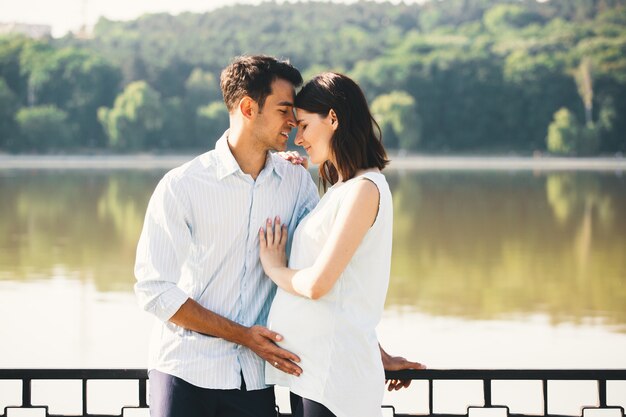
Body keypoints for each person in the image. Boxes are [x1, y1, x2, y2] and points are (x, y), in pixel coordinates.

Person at [135, 56, 420, 417]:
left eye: (298, 116)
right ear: (248, 107)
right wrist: (242, 335)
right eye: (286, 110)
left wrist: (374, 352)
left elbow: (325, 272)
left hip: (255, 379)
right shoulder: (182, 186)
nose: (293, 124)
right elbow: (154, 290)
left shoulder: (297, 182)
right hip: (186, 370)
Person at [259, 72, 423, 417]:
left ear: (333, 118)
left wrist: (274, 267)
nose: (298, 138)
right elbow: (347, 292)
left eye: (303, 126)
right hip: (313, 372)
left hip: (335, 378)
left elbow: (320, 285)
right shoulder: (340, 190)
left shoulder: (365, 189)